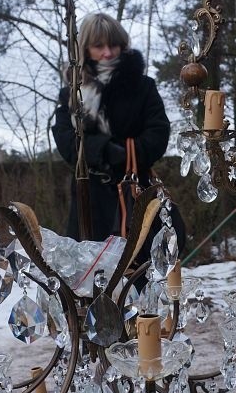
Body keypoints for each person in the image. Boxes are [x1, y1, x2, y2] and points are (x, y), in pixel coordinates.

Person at [52, 13, 172, 242]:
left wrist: (126, 154)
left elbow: (158, 133)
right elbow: (65, 139)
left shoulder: (143, 87)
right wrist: (101, 150)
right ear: (86, 49)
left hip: (135, 195)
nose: (107, 53)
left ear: (122, 45)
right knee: (90, 272)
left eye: (113, 45)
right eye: (99, 46)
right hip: (89, 200)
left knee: (138, 269)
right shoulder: (72, 93)